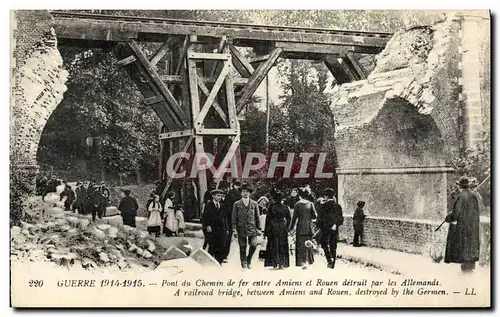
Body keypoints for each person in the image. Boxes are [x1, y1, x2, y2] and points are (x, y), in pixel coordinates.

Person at [444, 176, 480, 273]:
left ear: (460, 186)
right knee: (470, 247)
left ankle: (465, 271)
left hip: (463, 228)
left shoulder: (460, 196)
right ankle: (470, 268)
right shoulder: (474, 195)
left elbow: (456, 214)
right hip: (473, 227)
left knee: (463, 248)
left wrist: (449, 217)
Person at [232, 183, 261, 269]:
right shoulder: (236, 204)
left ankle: (249, 260)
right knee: (242, 246)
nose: (245, 193)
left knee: (254, 244)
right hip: (241, 228)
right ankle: (244, 262)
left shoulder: (254, 204)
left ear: (249, 193)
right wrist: (234, 229)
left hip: (252, 228)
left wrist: (259, 228)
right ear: (241, 193)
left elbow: (257, 217)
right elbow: (233, 218)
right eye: (244, 191)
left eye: (247, 192)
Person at [289, 188, 317, 268]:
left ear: (300, 196)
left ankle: (301, 261)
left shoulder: (297, 204)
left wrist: (290, 228)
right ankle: (309, 260)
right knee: (308, 244)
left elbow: (294, 218)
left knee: (300, 244)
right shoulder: (311, 204)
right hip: (309, 227)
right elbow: (315, 216)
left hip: (300, 227)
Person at [317, 188, 344, 269]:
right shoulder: (338, 206)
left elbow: (319, 218)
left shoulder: (323, 206)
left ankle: (329, 259)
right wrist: (336, 224)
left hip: (325, 228)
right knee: (333, 245)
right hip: (334, 228)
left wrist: (319, 226)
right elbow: (340, 218)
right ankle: (333, 262)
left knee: (323, 242)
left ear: (326, 197)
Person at [264, 189, 290, 269]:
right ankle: (282, 263)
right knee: (282, 245)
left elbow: (267, 219)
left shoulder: (271, 207)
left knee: (274, 245)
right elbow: (289, 219)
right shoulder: (285, 207)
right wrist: (287, 228)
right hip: (282, 227)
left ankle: (274, 262)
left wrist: (266, 231)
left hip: (273, 227)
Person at [202, 189, 229, 264]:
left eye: (221, 196)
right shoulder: (209, 205)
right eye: (218, 195)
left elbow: (225, 217)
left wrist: (226, 228)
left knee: (221, 246)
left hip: (221, 229)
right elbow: (205, 217)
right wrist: (207, 225)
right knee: (212, 246)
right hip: (212, 229)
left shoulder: (222, 205)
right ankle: (210, 263)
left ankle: (219, 263)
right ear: (213, 196)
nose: (219, 197)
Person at [222, 181, 242, 261]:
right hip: (226, 219)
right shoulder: (233, 194)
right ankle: (223, 255)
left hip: (229, 219)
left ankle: (223, 255)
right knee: (225, 238)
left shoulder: (233, 194)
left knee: (227, 238)